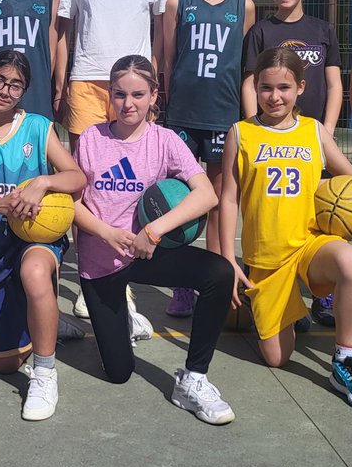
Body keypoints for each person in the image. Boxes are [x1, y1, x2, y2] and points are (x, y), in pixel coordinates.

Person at [72, 55, 243, 425]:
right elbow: (71, 204)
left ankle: (194, 378)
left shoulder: (164, 141)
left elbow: (206, 195)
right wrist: (105, 231)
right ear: (109, 96)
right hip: (100, 264)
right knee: (119, 372)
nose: (127, 103)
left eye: (137, 94)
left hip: (146, 255)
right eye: (119, 94)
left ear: (154, 96)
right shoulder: (90, 139)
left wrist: (153, 230)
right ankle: (126, 321)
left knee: (217, 272)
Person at [219, 47, 352, 411]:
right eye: (266, 88)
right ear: (255, 87)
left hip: (311, 245)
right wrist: (226, 261)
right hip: (267, 257)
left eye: (283, 87)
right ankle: (278, 305)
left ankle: (346, 361)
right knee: (277, 358)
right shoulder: (241, 133)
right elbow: (228, 200)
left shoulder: (314, 132)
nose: (274, 96)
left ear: (300, 88)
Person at [0, 49, 87, 421]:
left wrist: (42, 181)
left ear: (24, 91)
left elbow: (77, 178)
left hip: (35, 239)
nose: (5, 90)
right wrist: (0, 206)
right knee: (5, 363)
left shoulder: (38, 127)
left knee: (35, 273)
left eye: (15, 85)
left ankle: (44, 372)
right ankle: (47, 321)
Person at [56, 0, 168, 319]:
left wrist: (155, 80)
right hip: (86, 82)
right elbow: (65, 32)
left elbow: (159, 30)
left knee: (130, 184)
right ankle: (93, 277)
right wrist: (63, 81)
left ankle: (124, 279)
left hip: (134, 86)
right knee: (86, 184)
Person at [242, 0, 342, 327]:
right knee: (275, 213)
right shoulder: (261, 32)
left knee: (324, 212)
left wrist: (326, 131)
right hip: (272, 134)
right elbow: (250, 81)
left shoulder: (322, 30)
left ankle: (323, 292)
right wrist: (256, 124)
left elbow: (334, 84)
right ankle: (282, 292)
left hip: (312, 137)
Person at [160, 0, 255, 318]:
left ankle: (218, 279)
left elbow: (244, 65)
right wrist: (165, 103)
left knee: (218, 201)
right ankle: (182, 285)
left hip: (222, 113)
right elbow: (166, 58)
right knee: (180, 200)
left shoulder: (244, 5)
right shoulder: (177, 3)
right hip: (183, 111)